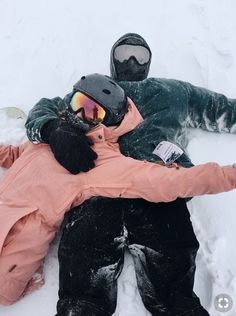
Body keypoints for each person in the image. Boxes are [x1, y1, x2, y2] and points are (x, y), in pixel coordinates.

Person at [25, 34, 236, 315]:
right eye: (124, 54)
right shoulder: (94, 92)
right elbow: (44, 109)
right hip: (97, 191)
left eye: (140, 55)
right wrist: (52, 129)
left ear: (150, 62)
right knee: (82, 288)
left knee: (175, 286)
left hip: (157, 187)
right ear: (112, 60)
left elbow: (219, 109)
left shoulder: (173, 92)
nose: (132, 62)